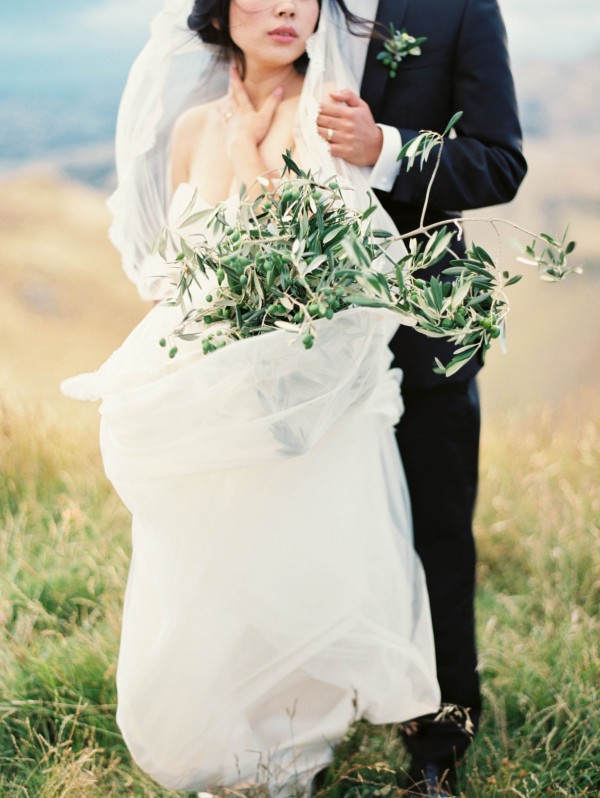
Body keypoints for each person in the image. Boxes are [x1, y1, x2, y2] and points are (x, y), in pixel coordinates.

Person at [61, 0, 452, 795]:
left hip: (298, 401)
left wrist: (248, 157)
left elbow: (313, 265)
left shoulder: (333, 116)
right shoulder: (188, 128)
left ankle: (285, 762)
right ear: (215, 10)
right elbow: (177, 268)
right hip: (210, 394)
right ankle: (220, 748)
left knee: (287, 571)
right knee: (207, 577)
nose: (285, 7)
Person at [315, 0, 527, 792]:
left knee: (433, 535)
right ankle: (301, 719)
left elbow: (499, 161)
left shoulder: (460, 8)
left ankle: (437, 742)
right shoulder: (274, 9)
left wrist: (387, 151)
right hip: (291, 338)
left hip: (419, 330)